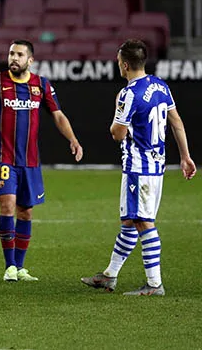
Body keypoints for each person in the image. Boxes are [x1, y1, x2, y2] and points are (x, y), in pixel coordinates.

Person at [81, 40, 196, 296]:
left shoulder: (128, 93)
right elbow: (176, 122)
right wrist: (186, 156)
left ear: (124, 64)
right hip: (156, 165)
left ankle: (155, 284)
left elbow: (118, 134)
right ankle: (109, 275)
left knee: (143, 222)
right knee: (129, 221)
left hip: (138, 167)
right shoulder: (160, 85)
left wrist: (115, 121)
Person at [0, 40, 83, 282]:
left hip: (29, 160)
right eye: (11, 53)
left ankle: (20, 267)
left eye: (19, 54)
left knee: (26, 212)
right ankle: (9, 266)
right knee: (7, 205)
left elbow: (58, 115)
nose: (13, 58)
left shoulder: (41, 85)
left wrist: (73, 139)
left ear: (30, 60)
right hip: (3, 158)